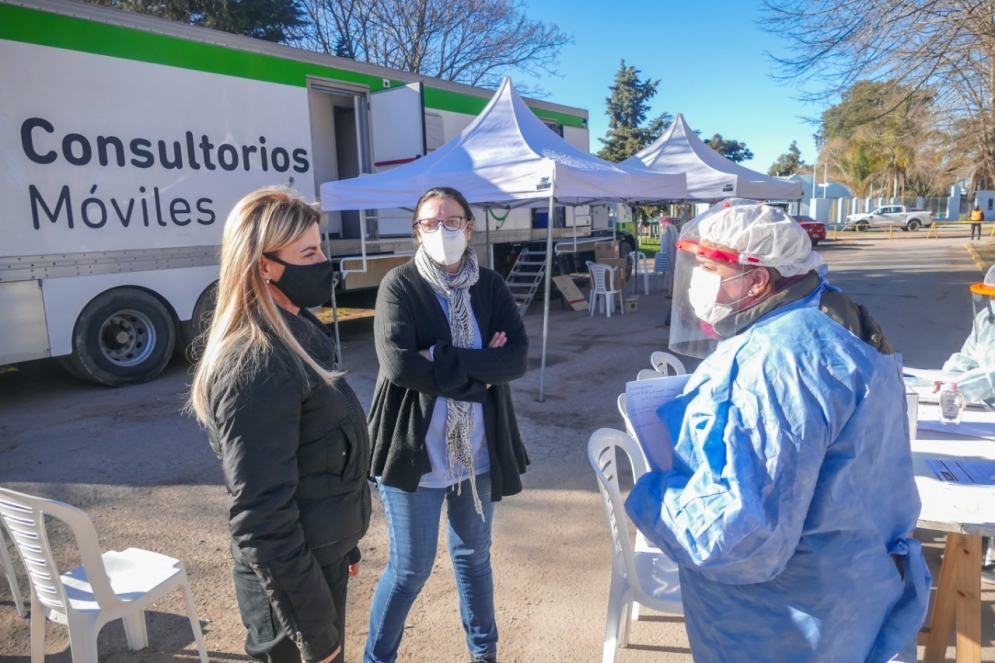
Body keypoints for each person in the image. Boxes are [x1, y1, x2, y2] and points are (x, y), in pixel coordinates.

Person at [626, 202, 930, 663]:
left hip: (781, 622)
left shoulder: (769, 362)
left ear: (759, 279)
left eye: (709, 267)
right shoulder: (833, 311)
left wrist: (652, 496)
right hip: (851, 593)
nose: (696, 280)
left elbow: (739, 538)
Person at [188, 187, 371, 663]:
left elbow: (323, 454)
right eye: (308, 252)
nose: (323, 262)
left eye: (321, 247)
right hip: (290, 593)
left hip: (316, 564)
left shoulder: (297, 329)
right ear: (263, 265)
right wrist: (315, 633)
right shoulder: (257, 361)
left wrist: (344, 544)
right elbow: (261, 518)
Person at [364, 186, 529, 663]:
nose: (441, 231)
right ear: (417, 232)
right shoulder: (399, 285)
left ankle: (484, 654)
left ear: (469, 226)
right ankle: (377, 659)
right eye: (430, 223)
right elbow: (398, 366)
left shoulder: (491, 286)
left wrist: (438, 355)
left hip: (475, 455)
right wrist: (481, 370)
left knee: (474, 558)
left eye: (451, 221)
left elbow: (515, 359)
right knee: (410, 569)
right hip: (414, 453)